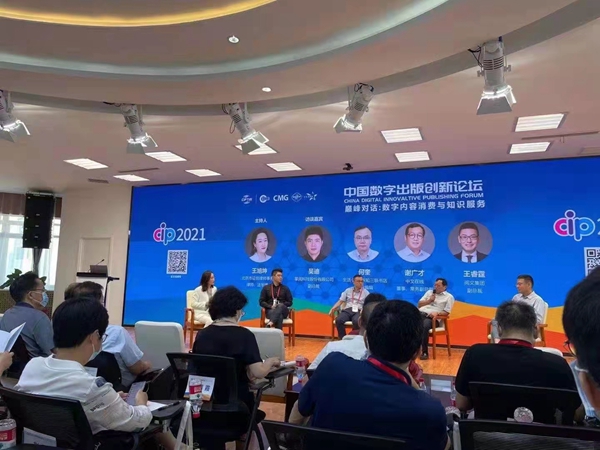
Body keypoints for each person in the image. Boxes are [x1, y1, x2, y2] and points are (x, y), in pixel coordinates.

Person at [16, 297, 177, 449]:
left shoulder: (32, 366)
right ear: (94, 337)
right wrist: (141, 402)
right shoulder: (90, 386)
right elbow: (137, 421)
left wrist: (109, 399)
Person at [297, 301, 450, 450]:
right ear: (417, 352)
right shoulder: (429, 410)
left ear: (365, 339)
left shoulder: (332, 366)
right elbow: (444, 445)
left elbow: (299, 413)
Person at [455, 301, 579, 413]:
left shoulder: (475, 355)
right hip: (539, 432)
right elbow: (576, 413)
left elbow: (462, 404)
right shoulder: (556, 364)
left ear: (499, 329)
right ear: (536, 330)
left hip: (485, 431)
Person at [193, 286, 280, 412]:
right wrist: (270, 362)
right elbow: (259, 372)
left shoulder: (202, 334)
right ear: (236, 311)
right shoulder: (245, 335)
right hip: (237, 407)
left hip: (205, 405)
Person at [65, 282, 152, 389]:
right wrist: (147, 365)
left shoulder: (62, 334)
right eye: (102, 302)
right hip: (115, 390)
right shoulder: (116, 333)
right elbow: (137, 368)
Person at [309, 296, 385, 370]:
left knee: (355, 320)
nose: (360, 284)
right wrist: (333, 308)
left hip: (358, 312)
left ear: (360, 322)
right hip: (348, 311)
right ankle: (341, 337)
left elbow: (311, 373)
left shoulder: (331, 349)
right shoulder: (389, 357)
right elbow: (340, 301)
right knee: (339, 320)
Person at [0, 272, 53, 358]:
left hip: (8, 364)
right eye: (42, 290)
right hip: (36, 365)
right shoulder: (40, 318)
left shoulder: (7, 315)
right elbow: (51, 353)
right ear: (31, 295)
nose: (44, 294)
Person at [417, 278, 454, 360]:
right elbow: (419, 304)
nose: (436, 287)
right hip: (420, 314)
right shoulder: (429, 292)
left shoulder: (449, 297)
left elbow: (447, 312)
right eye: (435, 285)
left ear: (444, 287)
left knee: (425, 325)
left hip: (433, 319)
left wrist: (437, 313)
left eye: (438, 285)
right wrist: (429, 300)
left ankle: (424, 352)